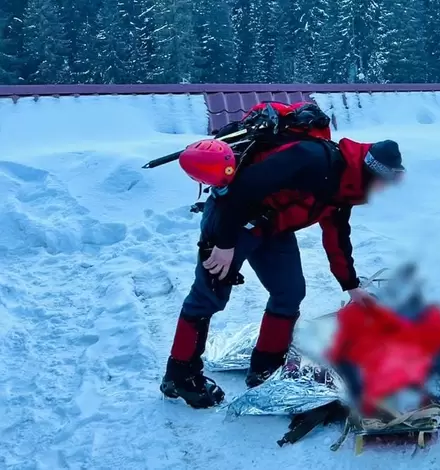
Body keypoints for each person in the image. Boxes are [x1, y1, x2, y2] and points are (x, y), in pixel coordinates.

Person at [159, 102, 407, 409]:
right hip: (231, 220)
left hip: (272, 227)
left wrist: (350, 285)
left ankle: (266, 367)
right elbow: (242, 189)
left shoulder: (346, 189)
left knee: (289, 293)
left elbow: (337, 237)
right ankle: (180, 376)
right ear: (371, 173)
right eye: (385, 183)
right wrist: (224, 243)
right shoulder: (313, 160)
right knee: (208, 297)